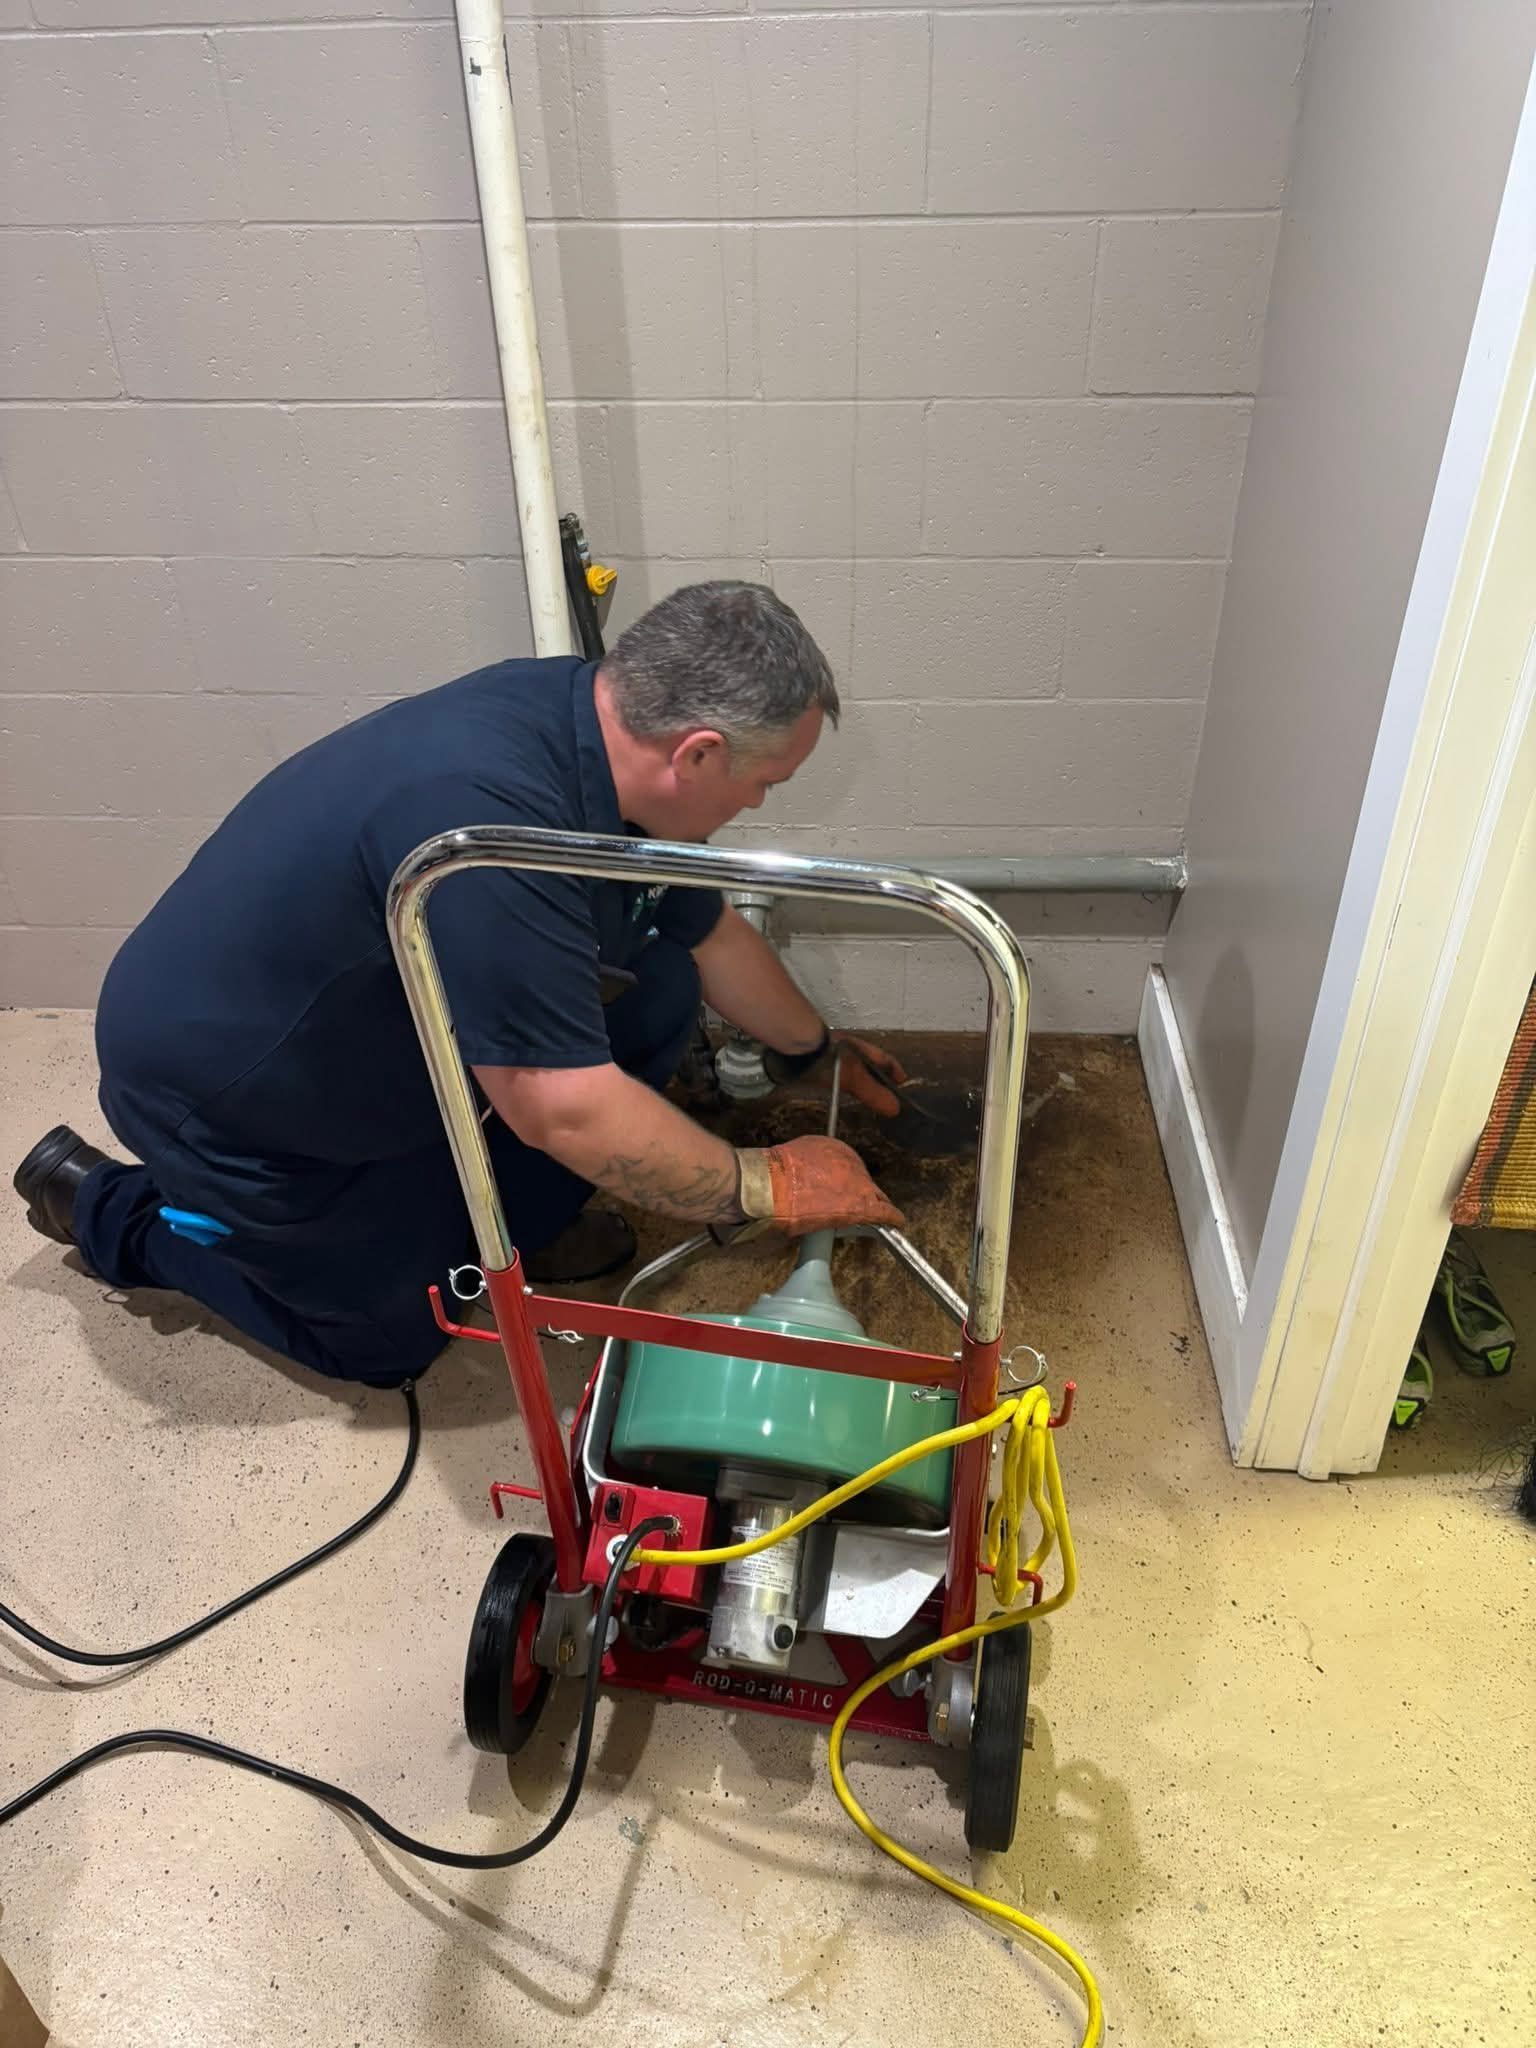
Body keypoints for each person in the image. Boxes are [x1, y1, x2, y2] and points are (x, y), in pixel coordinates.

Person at [13, 582, 908, 1388]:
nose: (756, 806)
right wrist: (765, 1185)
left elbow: (704, 930)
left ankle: (503, 1229)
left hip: (375, 1039)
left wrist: (814, 1051)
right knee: (389, 1341)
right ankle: (111, 1210)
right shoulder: (493, 824)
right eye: (764, 782)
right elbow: (562, 1112)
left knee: (659, 986)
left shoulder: (593, 723)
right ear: (700, 754)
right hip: (235, 1098)